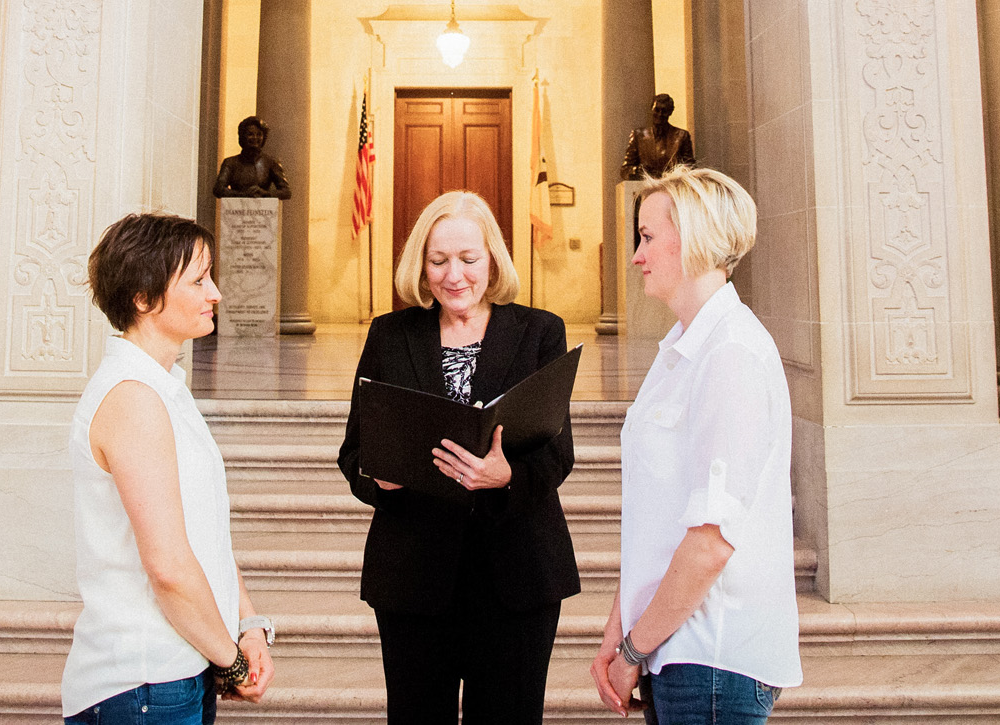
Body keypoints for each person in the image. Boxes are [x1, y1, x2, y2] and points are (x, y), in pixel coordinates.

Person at [337, 192, 579, 725]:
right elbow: (354, 452)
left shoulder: (540, 332)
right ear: (420, 266)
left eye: (469, 259)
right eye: (438, 260)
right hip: (414, 575)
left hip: (516, 574)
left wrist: (507, 475)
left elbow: (557, 454)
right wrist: (380, 479)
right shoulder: (389, 334)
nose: (454, 275)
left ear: (492, 260)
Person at [591, 166, 798, 724]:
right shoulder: (682, 347)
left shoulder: (731, 353)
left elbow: (711, 541)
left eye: (647, 237)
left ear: (698, 237)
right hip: (671, 649)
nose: (636, 255)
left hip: (711, 660)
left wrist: (634, 646)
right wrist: (620, 631)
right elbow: (655, 521)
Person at [63, 213, 275, 724]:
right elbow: (169, 567)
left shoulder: (162, 388)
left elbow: (206, 537)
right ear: (143, 297)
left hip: (182, 667)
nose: (217, 293)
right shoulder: (132, 398)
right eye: (198, 280)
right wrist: (233, 660)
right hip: (143, 682)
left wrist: (248, 621)